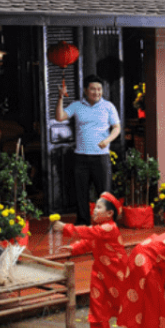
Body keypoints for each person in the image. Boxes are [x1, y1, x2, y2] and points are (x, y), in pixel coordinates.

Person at [53, 191, 127, 328]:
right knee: (97, 301)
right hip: (100, 270)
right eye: (95, 207)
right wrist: (73, 248)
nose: (94, 210)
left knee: (123, 300)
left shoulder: (109, 228)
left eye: (99, 208)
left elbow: (88, 232)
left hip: (116, 271)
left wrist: (65, 227)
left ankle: (140, 326)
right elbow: (89, 242)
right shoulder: (100, 228)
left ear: (110, 213)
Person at [55, 74, 121, 225]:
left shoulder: (108, 106)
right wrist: (60, 97)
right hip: (81, 157)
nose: (97, 92)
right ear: (85, 90)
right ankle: (83, 222)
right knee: (81, 193)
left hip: (101, 156)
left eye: (99, 89)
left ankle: (106, 223)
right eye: (93, 89)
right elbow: (59, 117)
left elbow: (116, 128)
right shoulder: (77, 105)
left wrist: (107, 140)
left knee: (104, 193)